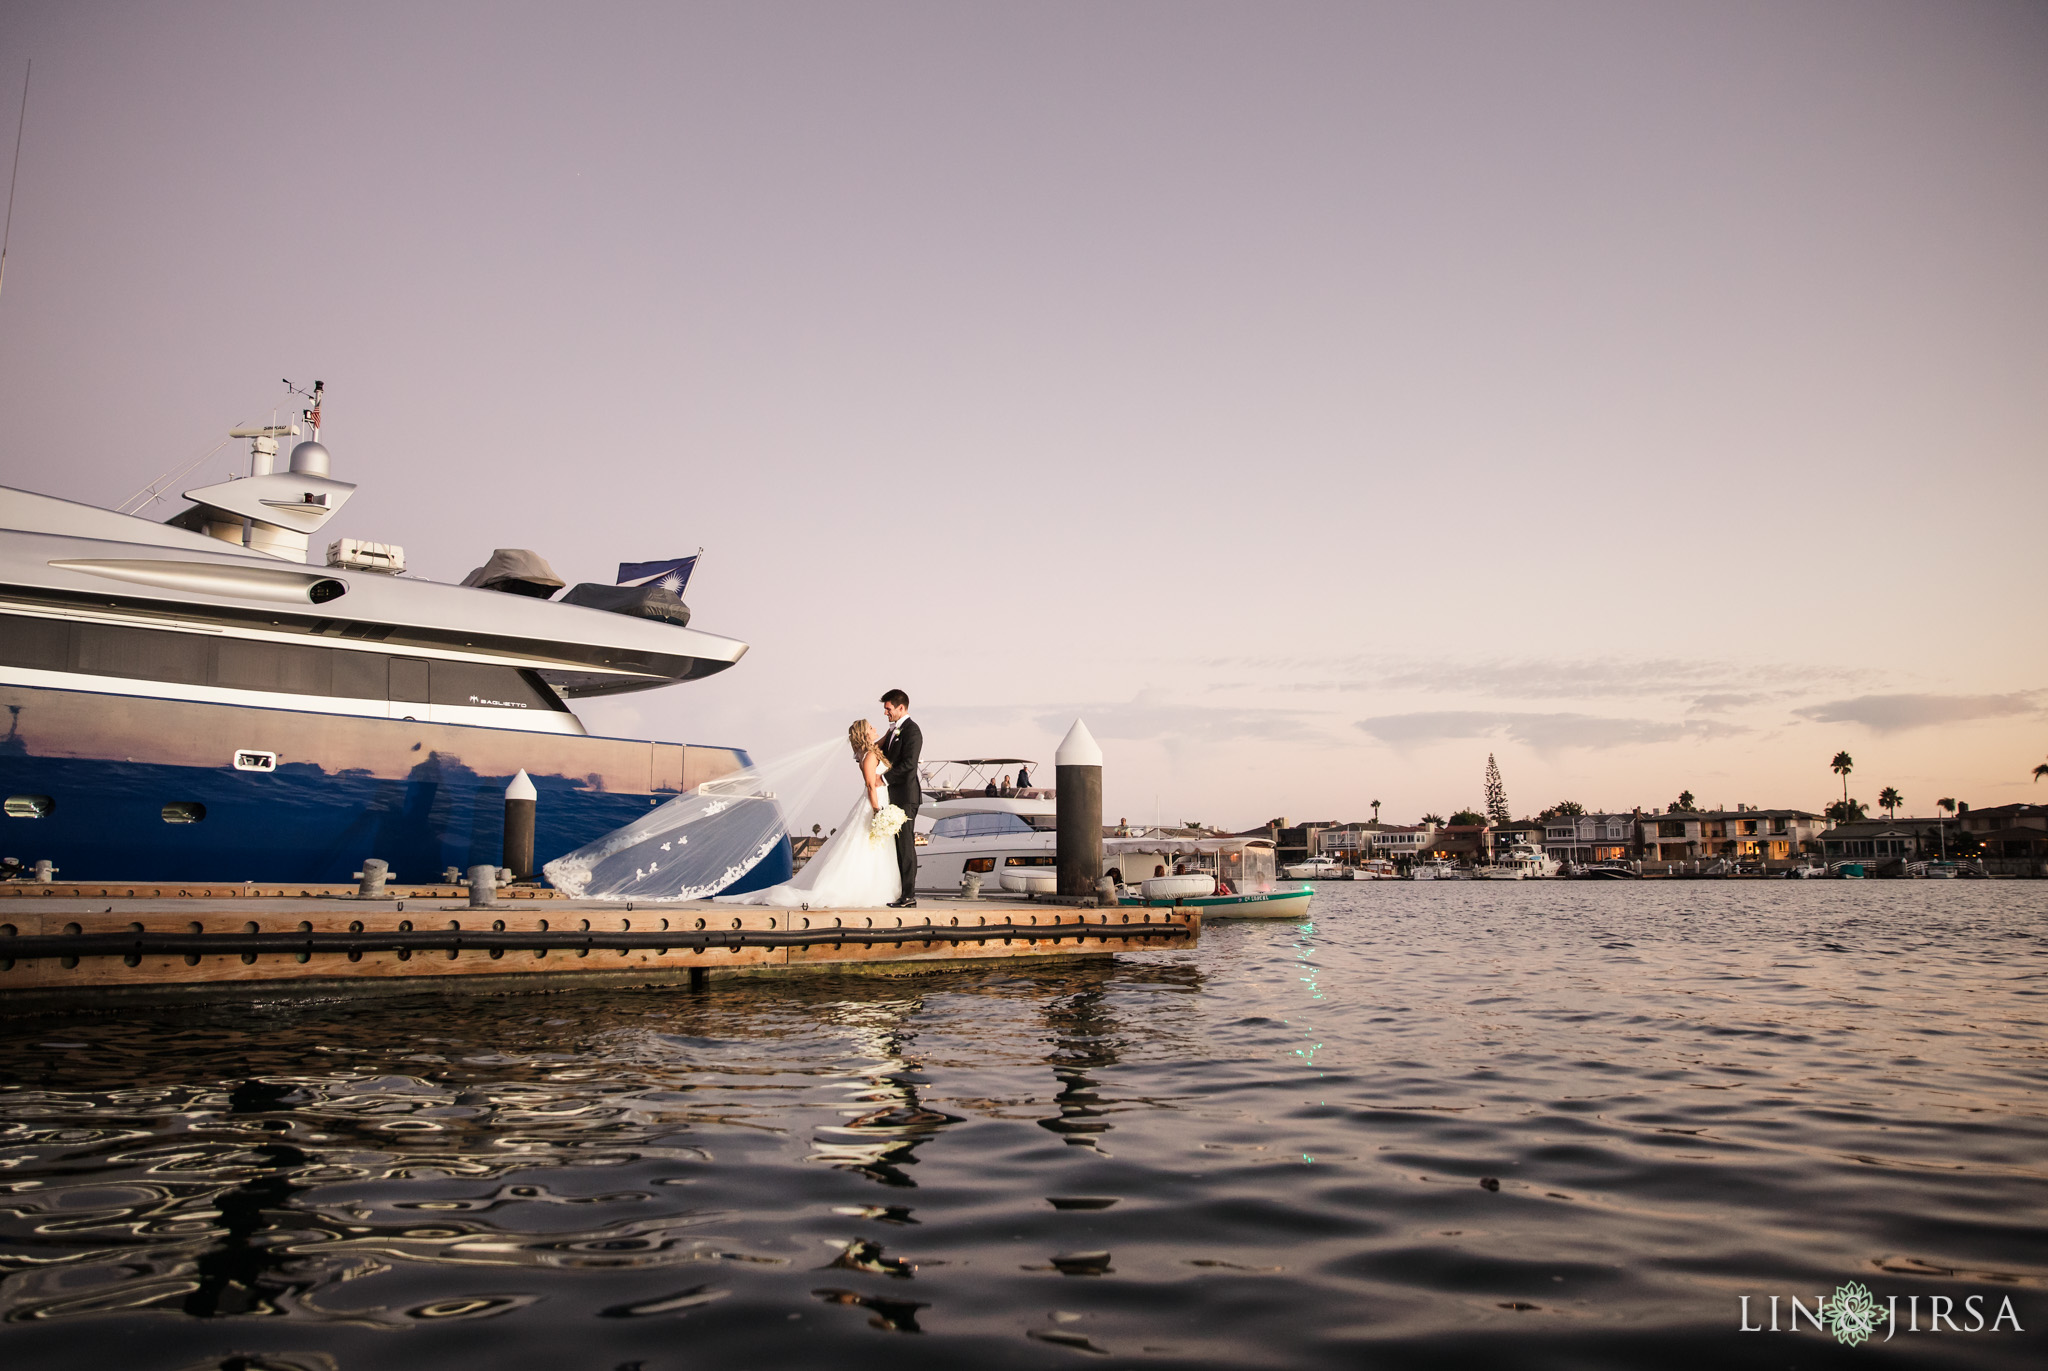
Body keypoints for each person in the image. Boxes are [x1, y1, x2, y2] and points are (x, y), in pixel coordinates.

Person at [720, 718, 901, 909]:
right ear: (865, 734)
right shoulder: (870, 757)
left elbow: (879, 743)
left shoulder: (867, 752)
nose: (875, 730)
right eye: (872, 728)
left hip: (879, 800)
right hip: (874, 802)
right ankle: (861, 887)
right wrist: (876, 810)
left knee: (868, 846)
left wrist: (893, 731)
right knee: (863, 845)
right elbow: (870, 785)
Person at [878, 689, 923, 908]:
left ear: (901, 708)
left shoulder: (912, 731)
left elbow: (909, 766)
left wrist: (883, 779)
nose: (886, 713)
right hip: (894, 797)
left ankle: (909, 896)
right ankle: (901, 893)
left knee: (905, 845)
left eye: (888, 709)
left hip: (906, 797)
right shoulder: (894, 731)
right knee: (897, 846)